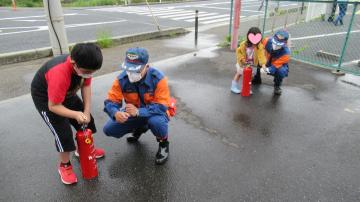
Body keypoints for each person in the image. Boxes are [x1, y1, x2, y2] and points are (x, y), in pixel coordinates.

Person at [30, 43, 105, 185]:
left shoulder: (86, 65)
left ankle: (83, 150)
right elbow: (53, 106)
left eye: (92, 72)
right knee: (63, 132)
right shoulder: (59, 73)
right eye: (87, 71)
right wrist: (76, 114)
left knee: (87, 121)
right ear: (73, 63)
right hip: (47, 99)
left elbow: (86, 86)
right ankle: (65, 166)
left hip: (66, 93)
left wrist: (86, 111)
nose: (89, 74)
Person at [103, 47, 171, 165]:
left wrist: (139, 112)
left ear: (147, 66)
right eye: (128, 69)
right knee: (109, 129)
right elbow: (110, 101)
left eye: (135, 70)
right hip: (133, 112)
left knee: (157, 122)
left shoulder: (159, 79)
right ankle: (140, 127)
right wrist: (115, 113)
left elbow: (161, 106)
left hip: (155, 113)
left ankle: (164, 144)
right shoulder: (121, 79)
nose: (131, 73)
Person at [253, 29, 291, 95]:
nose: (276, 45)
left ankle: (277, 85)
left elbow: (275, 66)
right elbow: (259, 49)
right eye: (275, 42)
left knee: (281, 71)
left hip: (277, 65)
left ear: (284, 44)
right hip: (266, 60)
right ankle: (257, 78)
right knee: (260, 59)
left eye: (279, 44)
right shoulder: (266, 40)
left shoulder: (286, 54)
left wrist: (267, 70)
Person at [230, 27, 267, 94]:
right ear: (248, 36)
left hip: (251, 63)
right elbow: (239, 52)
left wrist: (263, 64)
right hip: (243, 62)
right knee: (239, 74)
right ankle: (233, 87)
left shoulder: (259, 46)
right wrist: (242, 59)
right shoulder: (244, 44)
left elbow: (261, 55)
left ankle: (246, 88)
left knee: (249, 76)